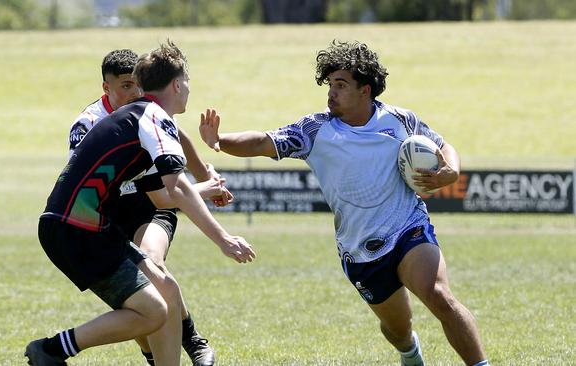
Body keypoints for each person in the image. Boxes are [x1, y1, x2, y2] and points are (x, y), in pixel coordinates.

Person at [199, 40, 490, 366]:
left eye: (340, 85)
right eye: (329, 85)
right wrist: (219, 142)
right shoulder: (314, 130)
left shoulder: (399, 120)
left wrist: (451, 171)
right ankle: (411, 354)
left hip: (407, 227)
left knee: (439, 296)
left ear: (365, 90)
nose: (331, 93)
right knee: (398, 329)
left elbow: (442, 145)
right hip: (360, 250)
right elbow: (264, 141)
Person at [25, 41, 256, 366]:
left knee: (167, 292)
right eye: (187, 83)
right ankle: (52, 350)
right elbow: (176, 188)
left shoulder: (140, 117)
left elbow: (161, 195)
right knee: (153, 310)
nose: (188, 90)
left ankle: (55, 350)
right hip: (74, 228)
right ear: (177, 84)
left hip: (84, 226)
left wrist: (204, 182)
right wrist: (224, 239)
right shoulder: (153, 119)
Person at [67, 48, 227, 366]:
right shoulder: (88, 125)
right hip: (111, 215)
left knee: (152, 264)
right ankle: (154, 356)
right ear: (106, 89)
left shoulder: (149, 113)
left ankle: (193, 341)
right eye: (125, 86)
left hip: (153, 205)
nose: (134, 93)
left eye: (137, 84)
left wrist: (205, 176)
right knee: (138, 301)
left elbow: (178, 137)